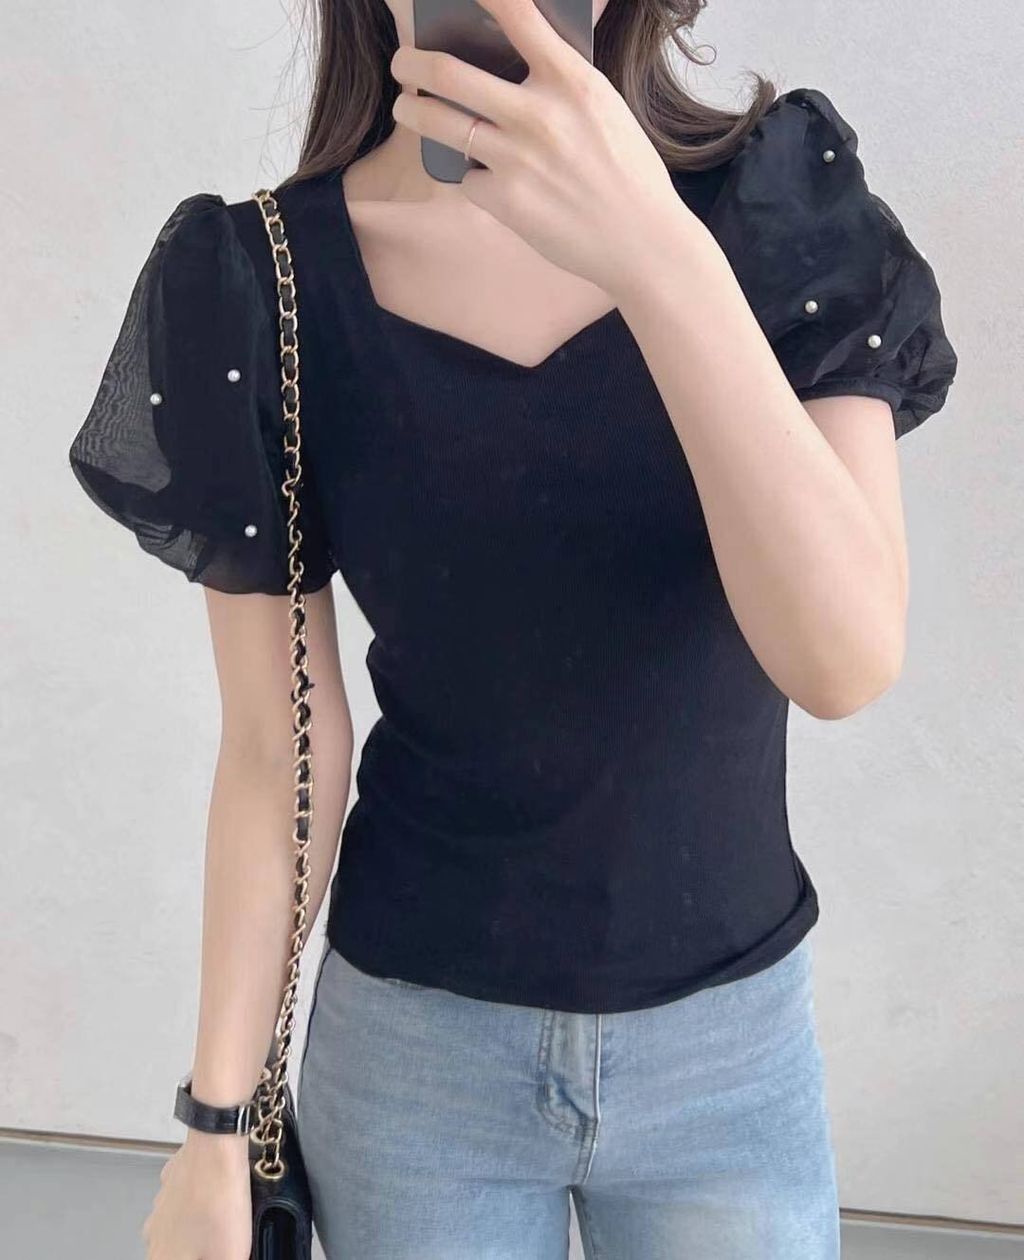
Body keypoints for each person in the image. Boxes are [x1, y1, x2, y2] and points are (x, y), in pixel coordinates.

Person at [68, 1, 958, 1257]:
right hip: (415, 1065)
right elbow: (278, 754)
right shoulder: (262, 279)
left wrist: (655, 254)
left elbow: (843, 659)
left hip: (724, 1064)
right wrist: (216, 1125)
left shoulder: (774, 212)